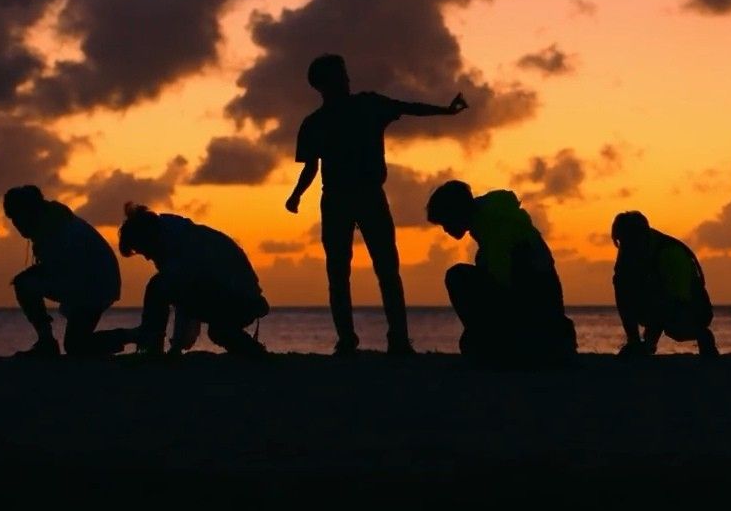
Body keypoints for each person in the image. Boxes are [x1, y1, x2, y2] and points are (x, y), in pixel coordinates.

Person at [286, 53, 468, 356]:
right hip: (337, 200)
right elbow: (310, 168)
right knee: (340, 273)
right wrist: (296, 195)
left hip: (368, 195)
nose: (346, 79)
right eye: (340, 75)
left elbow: (409, 108)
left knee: (385, 269)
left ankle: (397, 339)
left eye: (344, 74)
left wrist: (447, 112)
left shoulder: (366, 105)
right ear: (323, 85)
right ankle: (348, 340)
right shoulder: (316, 123)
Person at [426, 180, 577, 366]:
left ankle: (500, 347)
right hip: (539, 306)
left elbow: (503, 284)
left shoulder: (496, 226)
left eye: (445, 221)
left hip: (533, 307)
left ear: (456, 212)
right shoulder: (495, 220)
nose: (446, 229)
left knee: (457, 277)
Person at [119, 204, 269, 356]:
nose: (147, 257)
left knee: (158, 286)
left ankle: (151, 345)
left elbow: (185, 298)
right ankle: (255, 353)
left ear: (149, 238)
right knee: (220, 332)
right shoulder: (180, 238)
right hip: (239, 298)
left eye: (143, 249)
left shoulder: (184, 246)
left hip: (242, 300)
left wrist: (177, 347)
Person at [2, 185, 132, 357]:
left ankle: (46, 342)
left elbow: (65, 270)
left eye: (18, 217)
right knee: (76, 345)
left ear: (30, 212)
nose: (17, 225)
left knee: (24, 284)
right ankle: (134, 336)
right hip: (91, 285)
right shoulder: (54, 221)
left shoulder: (57, 231)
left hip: (93, 287)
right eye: (13, 219)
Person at [611, 211, 718, 358]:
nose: (625, 248)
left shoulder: (670, 254)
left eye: (629, 242)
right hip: (660, 303)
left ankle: (703, 336)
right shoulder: (630, 252)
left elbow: (674, 302)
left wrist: (649, 342)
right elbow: (624, 290)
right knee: (621, 281)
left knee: (676, 328)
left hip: (691, 309)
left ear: (641, 236)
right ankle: (634, 342)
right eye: (622, 243)